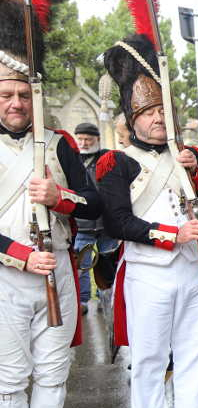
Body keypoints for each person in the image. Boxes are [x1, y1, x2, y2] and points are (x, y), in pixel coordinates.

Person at [97, 31, 198, 408]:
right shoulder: (117, 162)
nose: (157, 119)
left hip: (190, 269)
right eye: (148, 112)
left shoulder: (187, 157)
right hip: (149, 269)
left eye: (162, 110)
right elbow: (117, 222)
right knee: (150, 356)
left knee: (195, 348)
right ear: (132, 119)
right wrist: (171, 235)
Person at [0, 0, 102, 408]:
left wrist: (59, 194)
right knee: (13, 377)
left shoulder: (59, 142)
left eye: (23, 92)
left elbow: (94, 206)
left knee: (54, 371)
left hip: (58, 268)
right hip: (8, 276)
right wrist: (18, 254)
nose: (16, 103)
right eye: (5, 94)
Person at [72, 122, 118, 315]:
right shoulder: (71, 160)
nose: (83, 143)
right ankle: (83, 301)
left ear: (97, 140)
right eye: (80, 139)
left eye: (88, 139)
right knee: (82, 266)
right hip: (81, 225)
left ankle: (106, 298)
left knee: (108, 264)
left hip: (107, 224)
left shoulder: (108, 158)